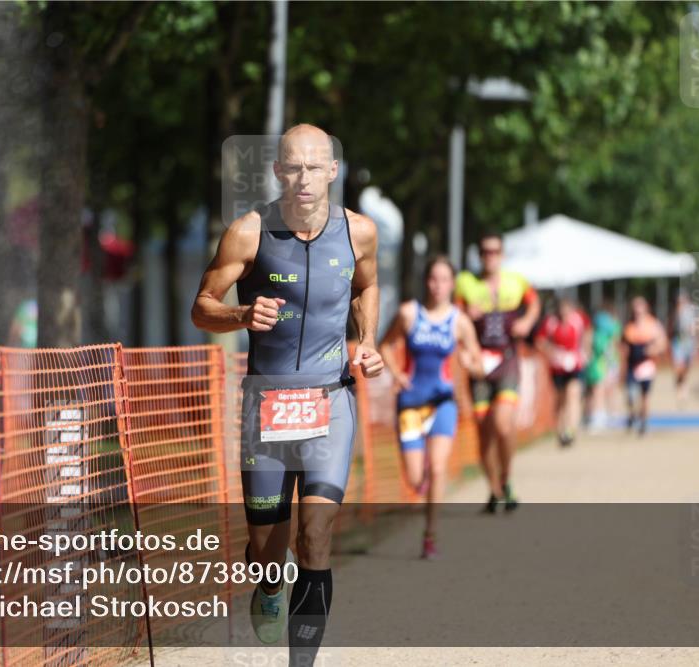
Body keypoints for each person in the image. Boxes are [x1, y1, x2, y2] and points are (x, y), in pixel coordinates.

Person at [191, 124, 383, 665]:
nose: (303, 178)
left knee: (315, 535)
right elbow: (201, 304)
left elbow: (366, 286)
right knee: (268, 557)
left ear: (332, 171)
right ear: (278, 172)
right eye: (292, 167)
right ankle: (270, 584)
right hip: (266, 408)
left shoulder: (359, 233)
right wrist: (240, 314)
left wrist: (367, 341)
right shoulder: (248, 233)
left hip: (331, 400)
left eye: (313, 167)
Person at [379, 255, 484, 559]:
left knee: (438, 469)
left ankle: (430, 535)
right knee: (415, 479)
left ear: (453, 284)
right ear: (426, 281)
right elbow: (385, 344)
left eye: (444, 280)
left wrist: (469, 363)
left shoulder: (460, 321)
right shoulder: (409, 314)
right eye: (433, 279)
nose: (438, 286)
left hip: (443, 403)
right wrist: (397, 374)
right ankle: (423, 480)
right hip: (411, 405)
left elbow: (479, 365)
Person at [454, 233, 540, 513]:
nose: (490, 256)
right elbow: (453, 317)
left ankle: (507, 477)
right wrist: (467, 316)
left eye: (495, 251)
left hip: (507, 360)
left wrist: (526, 321)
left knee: (503, 424)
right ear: (480, 255)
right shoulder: (466, 284)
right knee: (484, 433)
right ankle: (494, 488)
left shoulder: (516, 282)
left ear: (502, 255)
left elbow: (534, 302)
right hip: (478, 367)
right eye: (485, 251)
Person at [536, 297, 591, 447]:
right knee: (561, 400)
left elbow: (587, 333)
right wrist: (552, 351)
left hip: (575, 365)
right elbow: (540, 341)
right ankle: (560, 430)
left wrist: (586, 351)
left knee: (573, 395)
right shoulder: (551, 322)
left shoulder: (579, 319)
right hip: (558, 367)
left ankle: (571, 430)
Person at [622, 296, 667, 435]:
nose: (637, 312)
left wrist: (652, 350)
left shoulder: (653, 324)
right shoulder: (629, 325)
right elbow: (622, 344)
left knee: (645, 395)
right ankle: (632, 414)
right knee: (630, 394)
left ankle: (644, 422)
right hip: (632, 364)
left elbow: (662, 343)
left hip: (646, 364)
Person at [583, 302, 622, 432]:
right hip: (605, 362)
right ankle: (605, 414)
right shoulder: (611, 325)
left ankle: (602, 415)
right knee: (602, 389)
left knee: (599, 390)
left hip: (604, 362)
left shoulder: (600, 326)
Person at [670, 290, 697, 404]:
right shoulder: (676, 312)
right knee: (678, 367)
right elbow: (672, 327)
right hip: (679, 342)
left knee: (687, 367)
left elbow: (695, 327)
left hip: (689, 342)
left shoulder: (691, 311)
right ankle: (680, 387)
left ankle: (683, 384)